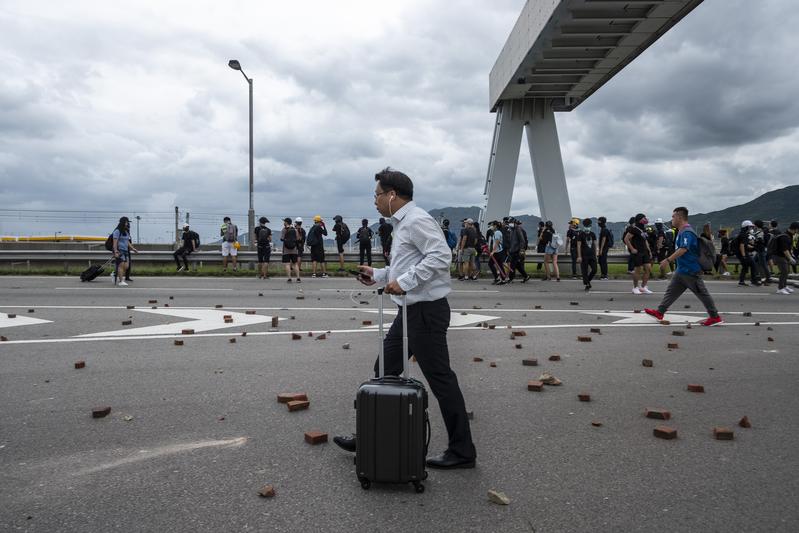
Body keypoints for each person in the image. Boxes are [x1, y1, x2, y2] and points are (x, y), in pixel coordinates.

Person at [333, 167, 477, 470]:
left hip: (425, 312)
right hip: (409, 311)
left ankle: (462, 451)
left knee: (441, 380)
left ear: (392, 195)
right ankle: (369, 434)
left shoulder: (417, 220)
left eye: (377, 195)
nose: (374, 201)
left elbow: (440, 257)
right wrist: (378, 275)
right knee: (383, 368)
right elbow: (405, 268)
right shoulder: (403, 224)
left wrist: (406, 282)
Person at [645, 207, 723, 326]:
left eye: (673, 216)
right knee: (671, 292)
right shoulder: (681, 231)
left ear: (680, 217)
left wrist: (667, 260)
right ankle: (660, 312)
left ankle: (715, 317)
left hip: (691, 270)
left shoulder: (687, 232)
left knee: (703, 294)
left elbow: (683, 249)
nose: (672, 219)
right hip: (682, 270)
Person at [624, 213, 653, 295]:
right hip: (638, 252)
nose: (645, 219)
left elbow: (645, 240)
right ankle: (635, 287)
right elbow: (626, 239)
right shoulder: (634, 229)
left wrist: (649, 250)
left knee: (648, 268)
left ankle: (643, 287)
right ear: (639, 219)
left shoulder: (643, 229)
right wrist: (632, 249)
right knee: (638, 270)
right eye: (644, 218)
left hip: (645, 252)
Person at [771, 221, 797, 295]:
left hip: (783, 256)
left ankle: (784, 286)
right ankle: (780, 288)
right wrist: (790, 258)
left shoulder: (789, 235)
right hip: (779, 256)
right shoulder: (785, 237)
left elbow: (788, 248)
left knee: (786, 271)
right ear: (795, 229)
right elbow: (784, 250)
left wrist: (791, 255)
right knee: (784, 272)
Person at [112, 217, 138, 286]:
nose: (127, 223)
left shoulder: (126, 231)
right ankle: (121, 281)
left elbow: (128, 242)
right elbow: (115, 242)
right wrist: (115, 251)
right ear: (123, 222)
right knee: (121, 265)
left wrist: (133, 248)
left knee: (126, 266)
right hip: (119, 250)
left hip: (126, 251)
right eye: (126, 222)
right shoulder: (117, 231)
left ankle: (115, 273)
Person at [735, 220, 759, 286]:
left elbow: (744, 244)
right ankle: (754, 281)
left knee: (745, 267)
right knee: (753, 265)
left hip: (739, 253)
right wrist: (744, 256)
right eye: (750, 227)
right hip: (743, 253)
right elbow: (741, 245)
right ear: (746, 227)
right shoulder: (744, 235)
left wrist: (752, 247)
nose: (751, 228)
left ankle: (741, 282)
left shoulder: (742, 233)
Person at [576, 218, 597, 291]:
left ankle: (587, 280)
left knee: (594, 269)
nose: (587, 227)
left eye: (588, 225)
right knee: (584, 271)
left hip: (592, 255)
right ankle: (587, 284)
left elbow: (595, 244)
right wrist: (579, 256)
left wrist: (596, 254)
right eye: (586, 225)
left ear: (591, 225)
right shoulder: (581, 234)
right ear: (583, 225)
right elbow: (578, 245)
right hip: (584, 256)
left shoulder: (593, 234)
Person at [507, 218, 530, 283]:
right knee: (517, 265)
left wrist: (521, 249)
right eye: (509, 223)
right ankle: (526, 276)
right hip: (512, 250)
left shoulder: (518, 229)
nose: (510, 224)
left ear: (514, 223)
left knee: (512, 265)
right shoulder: (511, 229)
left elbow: (522, 240)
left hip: (517, 250)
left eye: (511, 223)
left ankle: (510, 278)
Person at [280, 217, 301, 283]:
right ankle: (298, 278)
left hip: (286, 250)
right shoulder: (295, 229)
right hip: (294, 249)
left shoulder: (284, 229)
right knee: (295, 264)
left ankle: (289, 278)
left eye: (284, 221)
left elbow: (281, 238)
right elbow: (298, 238)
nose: (283, 223)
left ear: (286, 222)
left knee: (287, 264)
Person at [487, 220, 507, 285]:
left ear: (495, 226)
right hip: (499, 251)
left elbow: (497, 242)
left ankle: (497, 278)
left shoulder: (497, 232)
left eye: (492, 225)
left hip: (497, 252)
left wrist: (493, 251)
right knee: (500, 265)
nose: (491, 226)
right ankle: (502, 279)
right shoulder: (497, 232)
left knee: (490, 263)